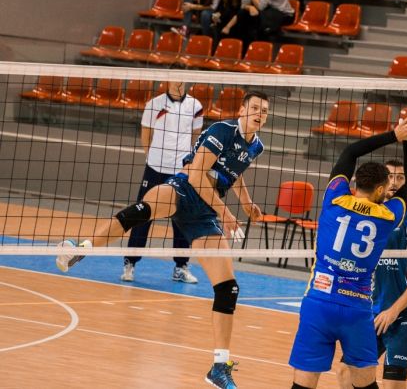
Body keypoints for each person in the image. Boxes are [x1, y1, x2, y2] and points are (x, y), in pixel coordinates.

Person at [57, 91, 270, 389]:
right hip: (185, 189)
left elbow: (235, 172)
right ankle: (83, 248)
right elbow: (197, 176)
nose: (259, 114)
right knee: (142, 210)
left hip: (204, 214)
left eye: (264, 111)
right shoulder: (223, 130)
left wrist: (246, 203)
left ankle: (219, 367)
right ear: (242, 110)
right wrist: (226, 212)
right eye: (255, 108)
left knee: (228, 289)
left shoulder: (256, 145)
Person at [288, 113, 407, 389]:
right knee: (365, 385)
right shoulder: (387, 216)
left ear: (355, 184)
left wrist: (394, 135)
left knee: (302, 387)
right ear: (380, 189)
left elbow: (350, 152)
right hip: (357, 310)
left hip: (319, 304)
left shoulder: (334, 198)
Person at [336, 159, 407, 389]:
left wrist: (393, 310)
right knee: (345, 372)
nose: (394, 182)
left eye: (400, 177)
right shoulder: (369, 214)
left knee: (392, 383)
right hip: (371, 311)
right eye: (390, 176)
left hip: (405, 314)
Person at [121, 81, 203, 284]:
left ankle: (181, 267)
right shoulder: (154, 104)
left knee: (182, 218)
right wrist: (151, 156)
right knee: (142, 215)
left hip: (181, 171)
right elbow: (146, 133)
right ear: (168, 80)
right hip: (155, 168)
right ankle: (130, 263)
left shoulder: (196, 106)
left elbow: (195, 136)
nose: (179, 82)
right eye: (175, 78)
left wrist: (187, 162)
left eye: (182, 78)